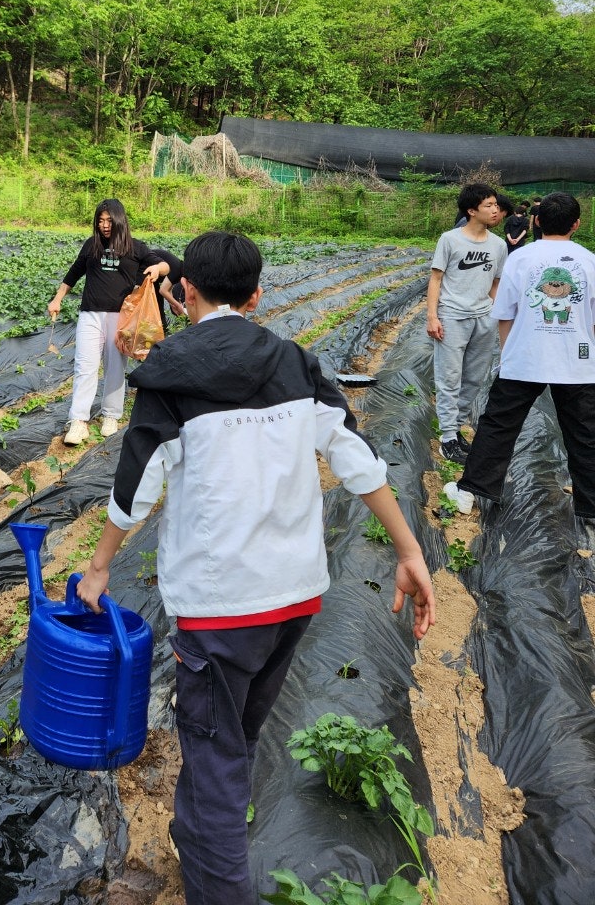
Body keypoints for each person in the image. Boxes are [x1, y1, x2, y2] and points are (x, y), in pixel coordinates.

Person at [76, 231, 434, 905]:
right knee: (235, 733)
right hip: (293, 601)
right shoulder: (296, 364)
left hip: (218, 609)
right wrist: (411, 553)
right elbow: (359, 463)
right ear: (258, 296)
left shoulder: (171, 371)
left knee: (213, 755)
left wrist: (98, 569)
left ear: (184, 293)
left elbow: (138, 485)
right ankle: (200, 834)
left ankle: (217, 880)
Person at [459, 192, 595, 542]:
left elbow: (504, 314)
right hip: (577, 364)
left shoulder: (521, 259)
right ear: (577, 225)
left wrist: (510, 353)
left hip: (524, 359)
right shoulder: (589, 261)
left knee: (498, 425)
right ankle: (591, 506)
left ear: (535, 222)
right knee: (585, 434)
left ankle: (473, 489)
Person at [47, 199, 167, 445]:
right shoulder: (92, 245)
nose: (104, 226)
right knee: (85, 366)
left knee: (114, 366)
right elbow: (73, 273)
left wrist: (157, 270)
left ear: (119, 220)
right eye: (100, 221)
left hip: (118, 316)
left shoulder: (135, 247)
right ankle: (78, 421)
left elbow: (164, 264)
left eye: (108, 221)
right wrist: (57, 299)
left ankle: (111, 415)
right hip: (89, 314)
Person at [427, 182, 505, 464]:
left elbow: (495, 283)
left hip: (483, 318)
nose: (495, 209)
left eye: (496, 204)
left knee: (473, 377)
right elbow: (436, 279)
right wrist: (432, 316)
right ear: (472, 211)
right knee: (449, 377)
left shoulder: (498, 245)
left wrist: (499, 315)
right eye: (489, 205)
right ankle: (447, 436)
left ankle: (456, 427)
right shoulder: (450, 240)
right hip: (452, 316)